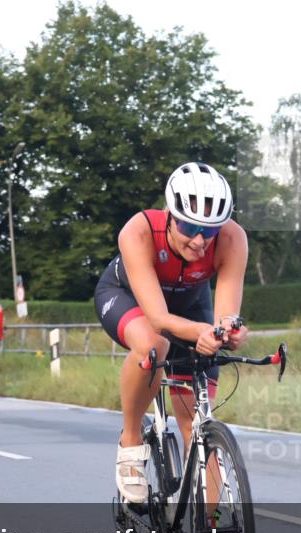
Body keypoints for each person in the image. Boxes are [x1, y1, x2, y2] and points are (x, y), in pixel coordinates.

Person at [95, 162, 249, 504]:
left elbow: (226, 315)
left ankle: (211, 530)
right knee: (154, 344)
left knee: (197, 423)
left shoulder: (233, 239)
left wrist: (229, 331)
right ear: (169, 214)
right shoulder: (138, 230)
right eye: (189, 226)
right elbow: (159, 318)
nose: (198, 240)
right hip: (127, 298)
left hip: (191, 306)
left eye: (209, 231)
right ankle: (131, 442)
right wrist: (203, 331)